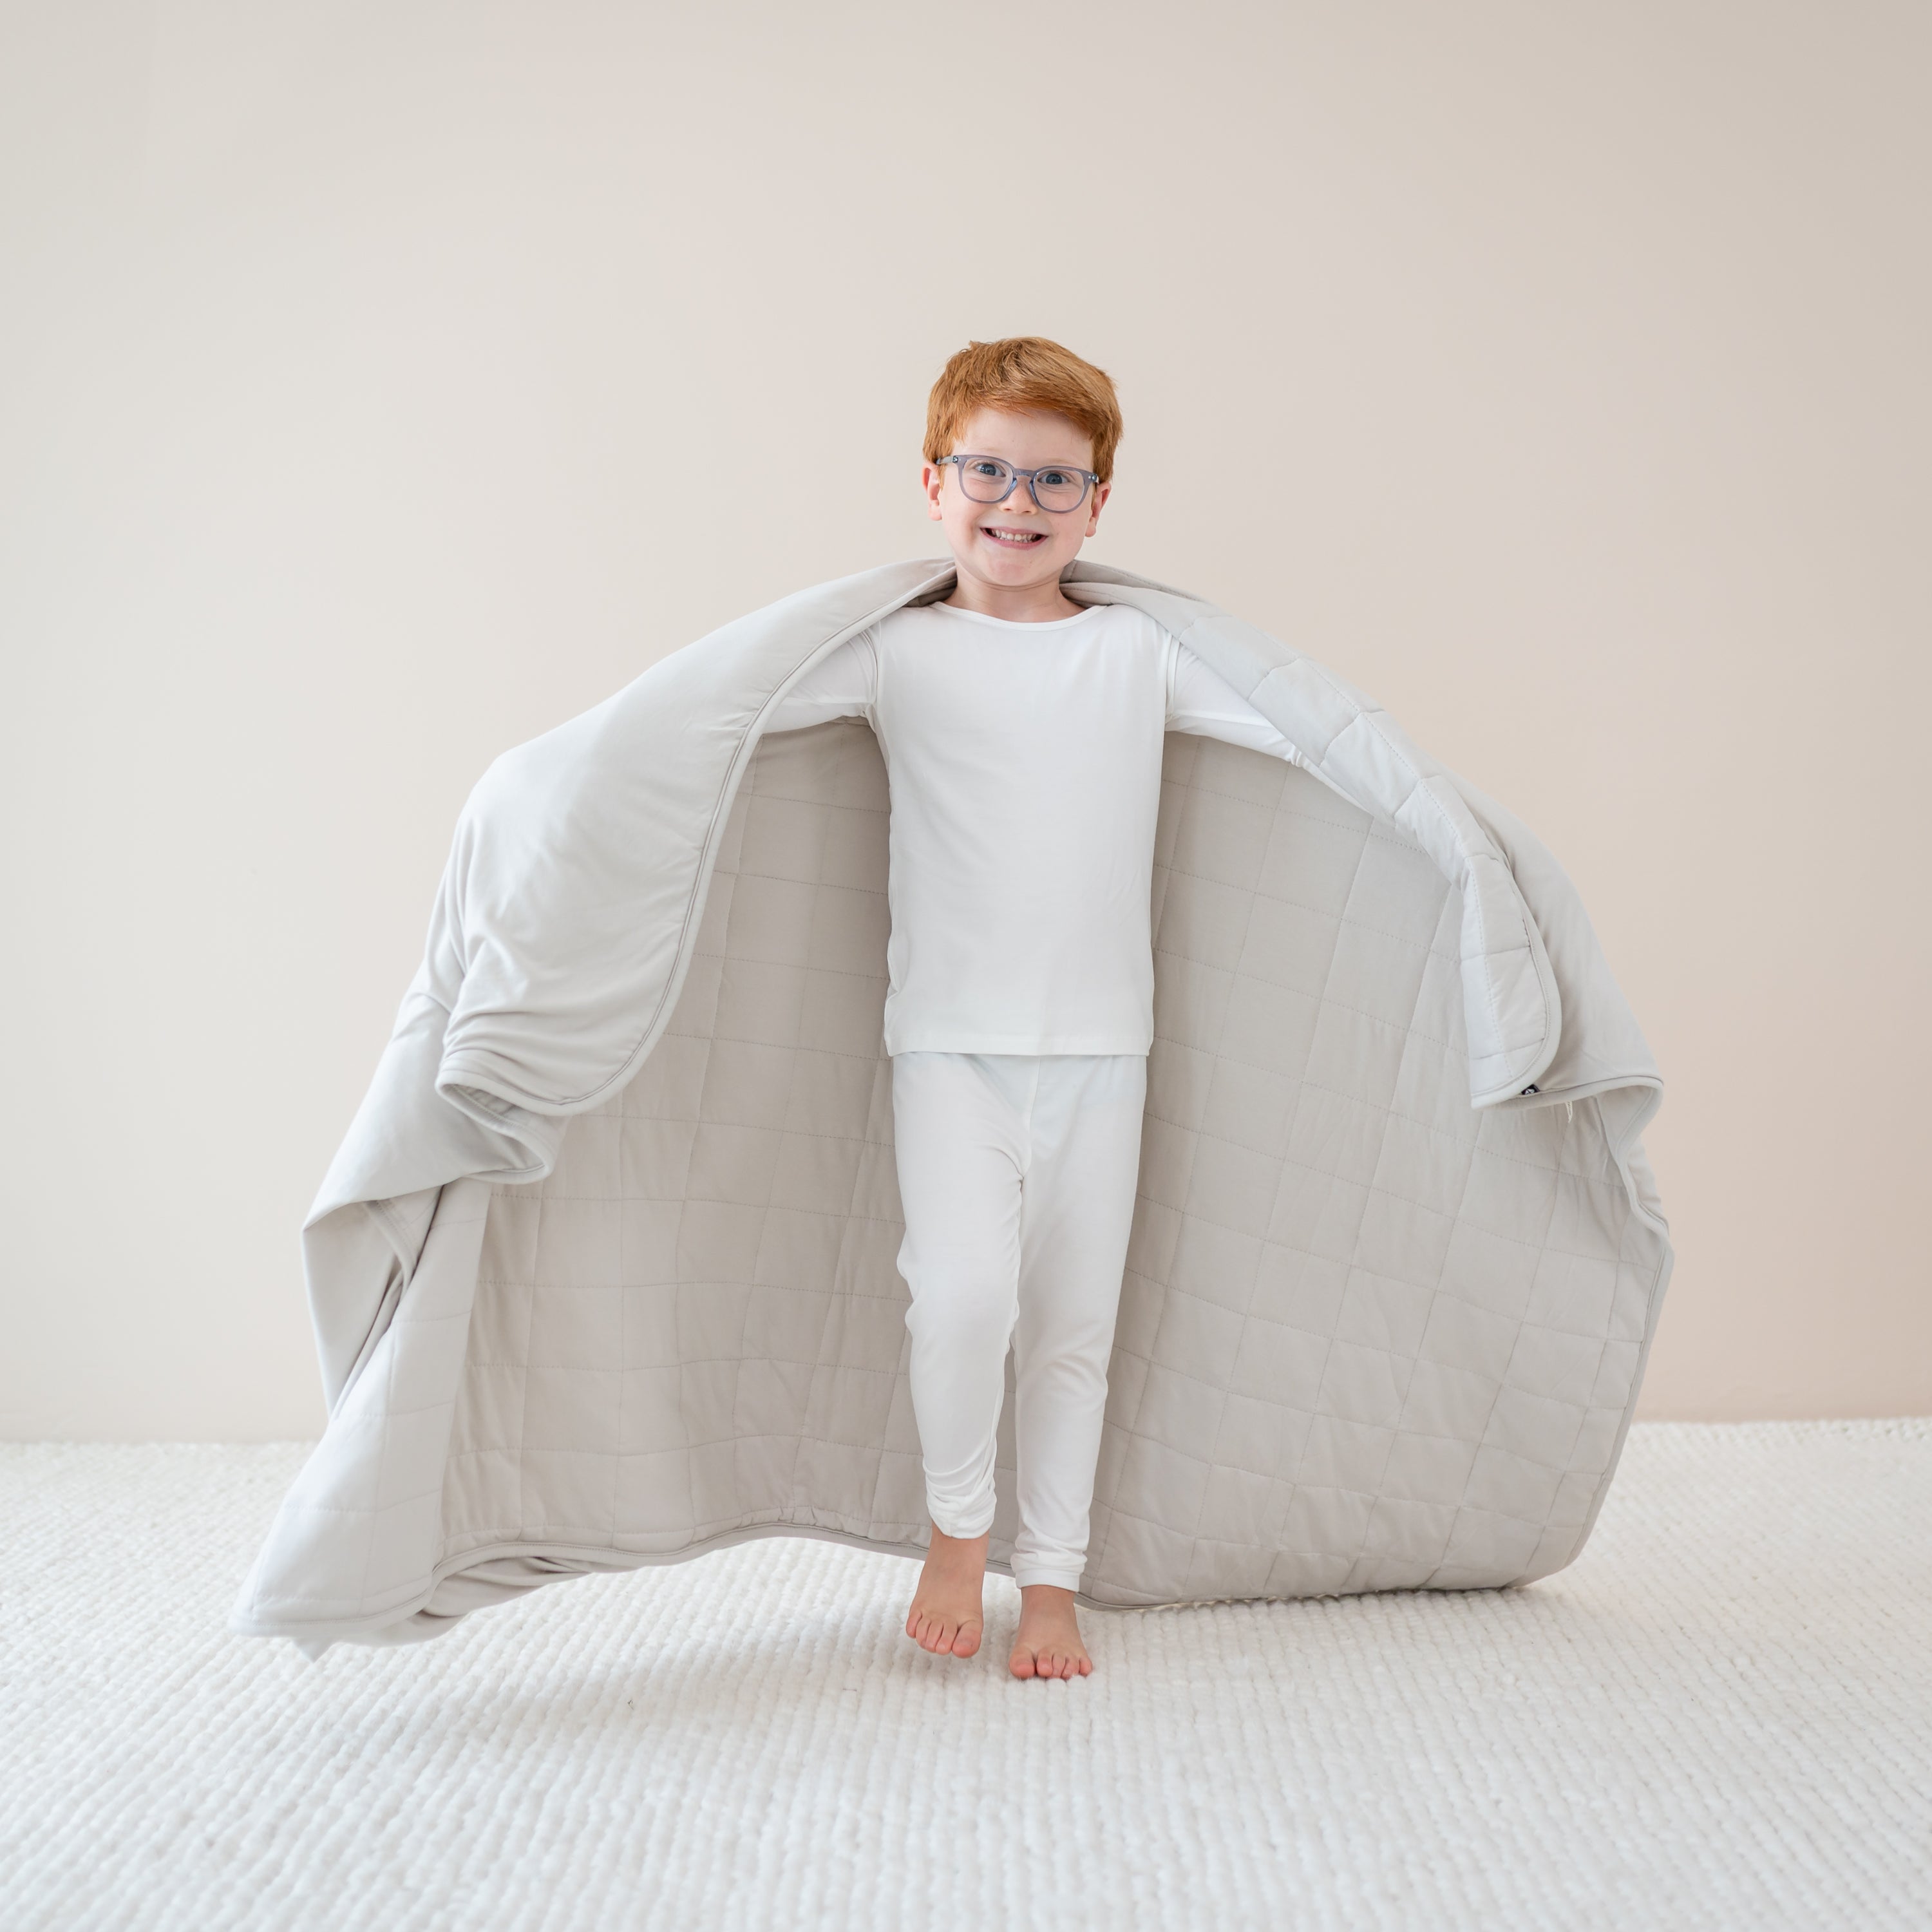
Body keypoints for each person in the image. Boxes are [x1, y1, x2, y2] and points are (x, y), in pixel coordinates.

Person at [766, 337, 1303, 1680]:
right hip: (949, 1045)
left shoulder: (1138, 653)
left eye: (1056, 480)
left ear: (1098, 503)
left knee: (1073, 1331)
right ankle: (960, 1532)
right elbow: (730, 708)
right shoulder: (894, 651)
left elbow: (1306, 728)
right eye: (989, 471)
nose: (1019, 502)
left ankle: (1052, 1580)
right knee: (960, 1301)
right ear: (935, 483)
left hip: (1104, 1050)